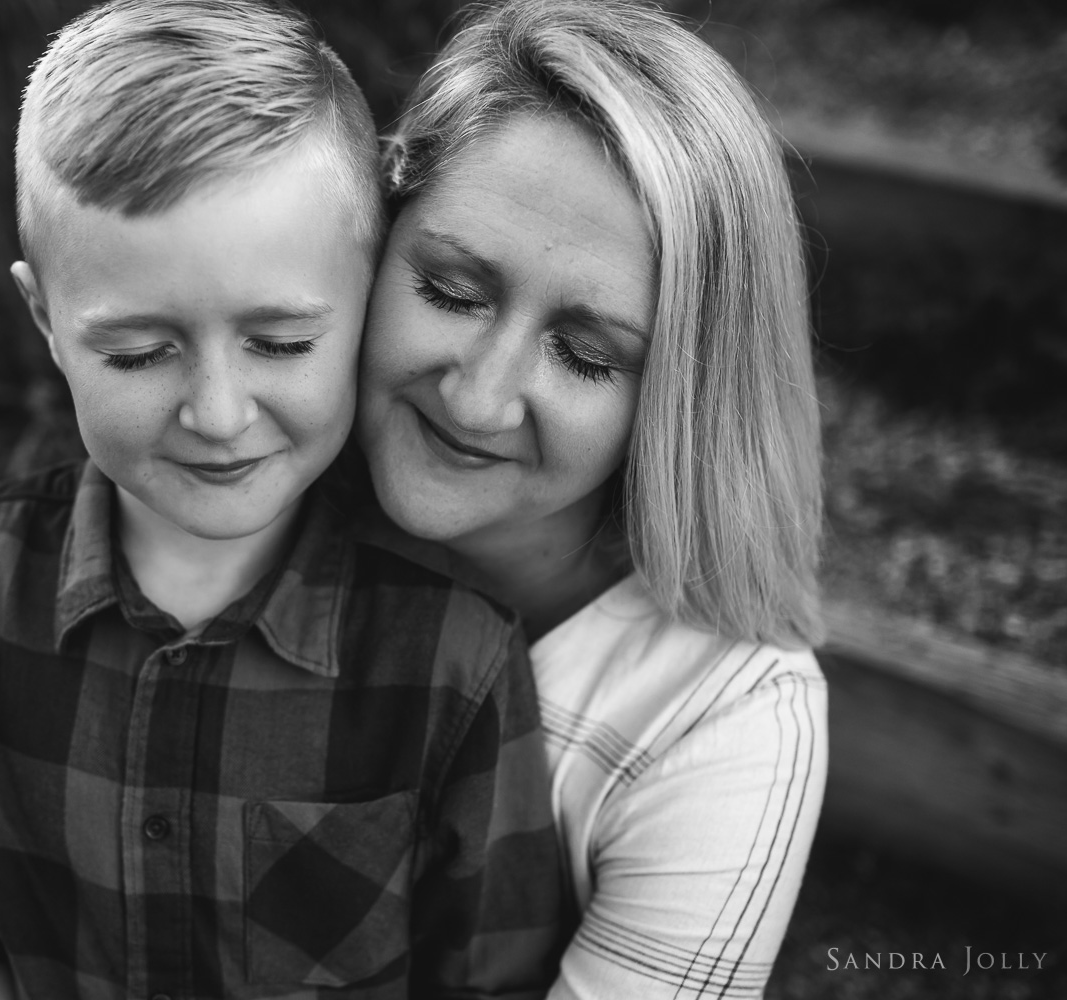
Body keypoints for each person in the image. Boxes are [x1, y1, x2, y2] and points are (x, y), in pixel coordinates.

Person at [0, 2, 566, 999]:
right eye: (141, 351)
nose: (220, 413)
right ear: (46, 322)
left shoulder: (453, 657)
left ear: (367, 299)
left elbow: (490, 975)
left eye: (280, 343)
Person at [356, 1, 829, 997]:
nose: (478, 397)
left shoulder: (726, 714)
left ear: (680, 400)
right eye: (450, 290)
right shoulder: (248, 489)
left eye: (585, 354)